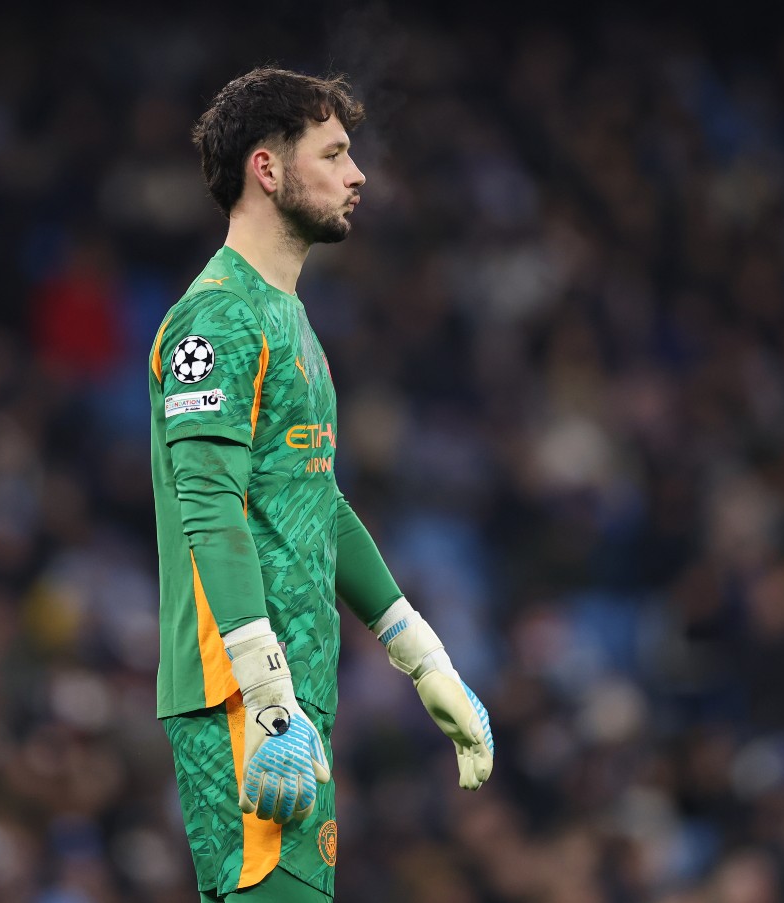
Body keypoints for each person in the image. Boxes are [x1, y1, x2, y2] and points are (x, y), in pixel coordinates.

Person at [148, 67, 495, 903]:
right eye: (334, 153)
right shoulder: (217, 318)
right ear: (267, 169)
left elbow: (317, 504)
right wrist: (269, 699)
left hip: (296, 700)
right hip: (245, 704)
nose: (358, 174)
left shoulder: (290, 319)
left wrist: (421, 655)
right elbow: (212, 507)